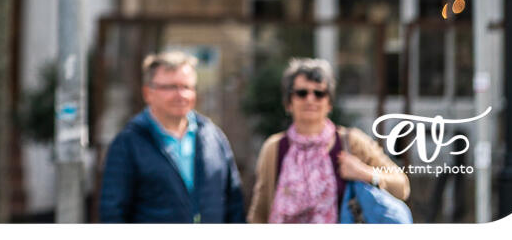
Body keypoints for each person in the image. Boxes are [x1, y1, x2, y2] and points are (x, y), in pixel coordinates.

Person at [248, 57, 409, 223]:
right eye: (302, 93)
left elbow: (402, 186)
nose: (310, 99)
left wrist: (365, 173)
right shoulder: (274, 148)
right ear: (288, 102)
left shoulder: (352, 142)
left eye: (319, 94)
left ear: (329, 103)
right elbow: (259, 213)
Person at [99, 51, 246, 223]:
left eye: (187, 87)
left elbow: (234, 205)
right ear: (148, 93)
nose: (181, 95)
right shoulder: (128, 144)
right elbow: (113, 213)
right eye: (171, 87)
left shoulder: (213, 137)